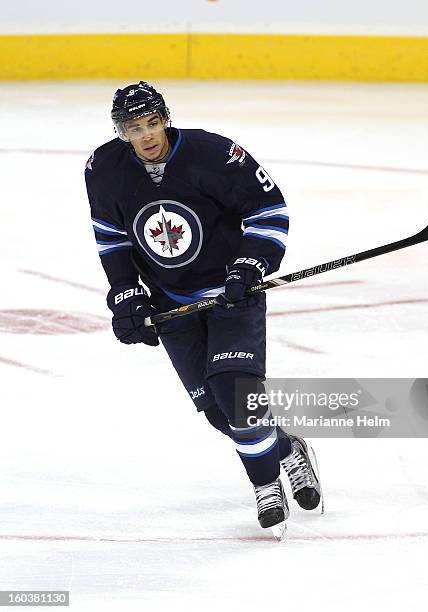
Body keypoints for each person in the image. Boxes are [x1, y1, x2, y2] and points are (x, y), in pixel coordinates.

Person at [85, 81, 322, 534]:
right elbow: (112, 236)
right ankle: (288, 449)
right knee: (219, 413)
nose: (148, 136)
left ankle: (265, 488)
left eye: (153, 123)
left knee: (240, 399)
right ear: (121, 132)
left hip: (233, 293)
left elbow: (269, 211)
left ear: (166, 119)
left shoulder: (215, 154)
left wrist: (251, 265)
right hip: (172, 302)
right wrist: (125, 293)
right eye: (135, 128)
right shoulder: (103, 169)